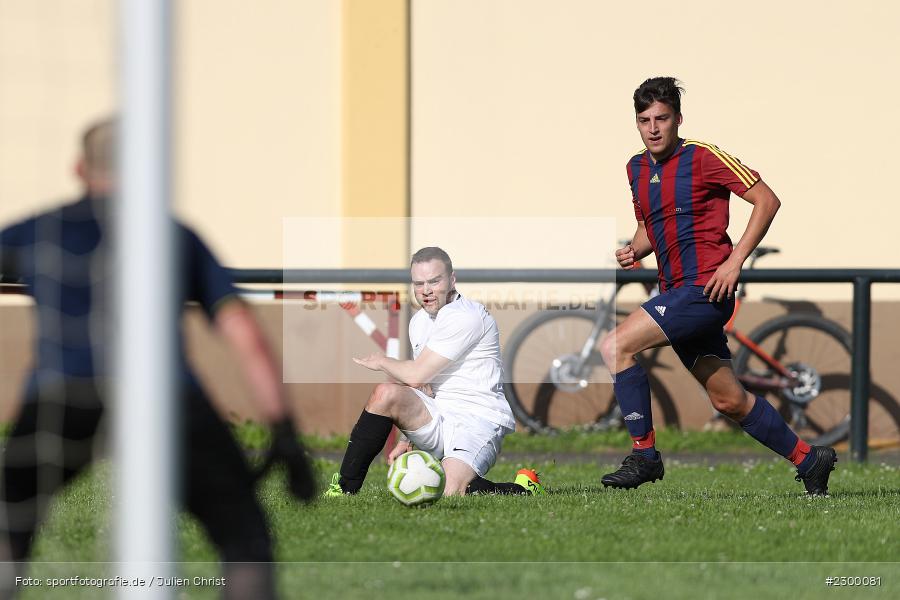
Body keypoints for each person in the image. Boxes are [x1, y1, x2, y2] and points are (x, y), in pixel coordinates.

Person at [0, 118, 314, 598]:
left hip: (61, 398)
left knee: (8, 533)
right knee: (243, 537)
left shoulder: (36, 232)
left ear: (80, 168)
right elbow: (244, 333)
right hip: (165, 398)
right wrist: (284, 430)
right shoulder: (174, 237)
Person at [598, 77, 837, 495]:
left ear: (678, 119)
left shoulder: (704, 157)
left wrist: (734, 262)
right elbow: (649, 228)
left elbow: (767, 200)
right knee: (729, 400)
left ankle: (645, 456)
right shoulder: (635, 168)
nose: (653, 128)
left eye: (662, 119)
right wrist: (634, 250)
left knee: (616, 346)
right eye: (644, 120)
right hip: (675, 293)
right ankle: (809, 459)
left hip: (705, 291)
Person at [324, 247, 544, 497]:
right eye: (418, 283)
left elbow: (415, 374)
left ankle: (524, 487)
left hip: (476, 421)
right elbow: (422, 385)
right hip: (438, 416)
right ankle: (344, 490)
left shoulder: (466, 316)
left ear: (452, 280)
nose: (425, 290)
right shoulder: (419, 322)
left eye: (434, 281)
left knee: (449, 491)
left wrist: (383, 361)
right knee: (385, 393)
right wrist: (406, 441)